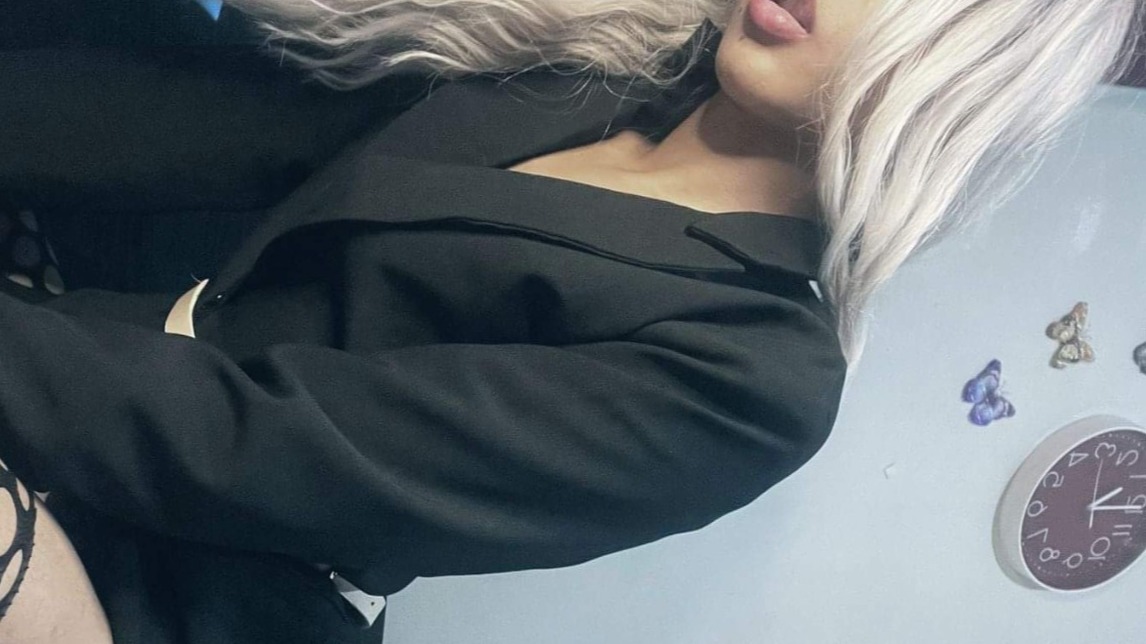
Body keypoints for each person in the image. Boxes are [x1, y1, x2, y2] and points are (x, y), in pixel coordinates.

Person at [0, 0, 1140, 642]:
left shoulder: (753, 376)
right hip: (97, 369)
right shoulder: (591, 75)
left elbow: (256, 447)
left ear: (964, 68)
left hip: (189, 585)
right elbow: (213, 125)